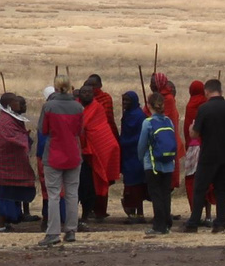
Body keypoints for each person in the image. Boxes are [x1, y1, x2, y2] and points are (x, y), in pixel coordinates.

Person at [36, 82, 85, 247]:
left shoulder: (49, 106)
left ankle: (53, 232)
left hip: (54, 153)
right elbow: (79, 131)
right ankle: (71, 230)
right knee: (72, 194)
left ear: (56, 88)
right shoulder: (78, 107)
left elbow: (43, 129)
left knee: (54, 195)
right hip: (73, 153)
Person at [185, 78, 225, 232]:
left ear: (207, 91)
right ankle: (221, 222)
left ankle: (193, 223)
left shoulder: (204, 109)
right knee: (222, 190)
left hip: (208, 155)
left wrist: (190, 128)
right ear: (220, 90)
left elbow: (195, 134)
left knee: (200, 189)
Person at [0, 92, 38, 230]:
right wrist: (25, 139)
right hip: (2, 162)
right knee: (4, 192)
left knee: (9, 191)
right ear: (9, 105)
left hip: (10, 161)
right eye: (16, 101)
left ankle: (7, 221)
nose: (20, 104)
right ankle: (2, 223)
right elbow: (12, 138)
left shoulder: (14, 119)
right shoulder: (5, 121)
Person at [135, 94, 181, 236]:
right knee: (165, 194)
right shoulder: (169, 121)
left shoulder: (147, 123)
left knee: (156, 195)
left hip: (152, 164)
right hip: (168, 164)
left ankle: (158, 225)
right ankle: (167, 222)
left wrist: (142, 160)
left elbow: (142, 145)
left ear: (148, 105)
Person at [77, 75, 120, 222]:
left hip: (96, 151)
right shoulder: (75, 107)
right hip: (78, 153)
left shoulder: (100, 105)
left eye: (92, 90)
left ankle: (95, 211)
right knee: (80, 185)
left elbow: (102, 126)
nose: (89, 93)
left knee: (94, 183)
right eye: (85, 91)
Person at [116, 87, 149, 218]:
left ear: (134, 101)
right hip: (127, 154)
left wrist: (125, 141)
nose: (124, 103)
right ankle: (132, 212)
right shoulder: (127, 115)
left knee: (138, 185)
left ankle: (139, 213)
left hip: (137, 154)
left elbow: (141, 135)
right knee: (129, 183)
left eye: (127, 100)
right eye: (123, 100)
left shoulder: (140, 116)